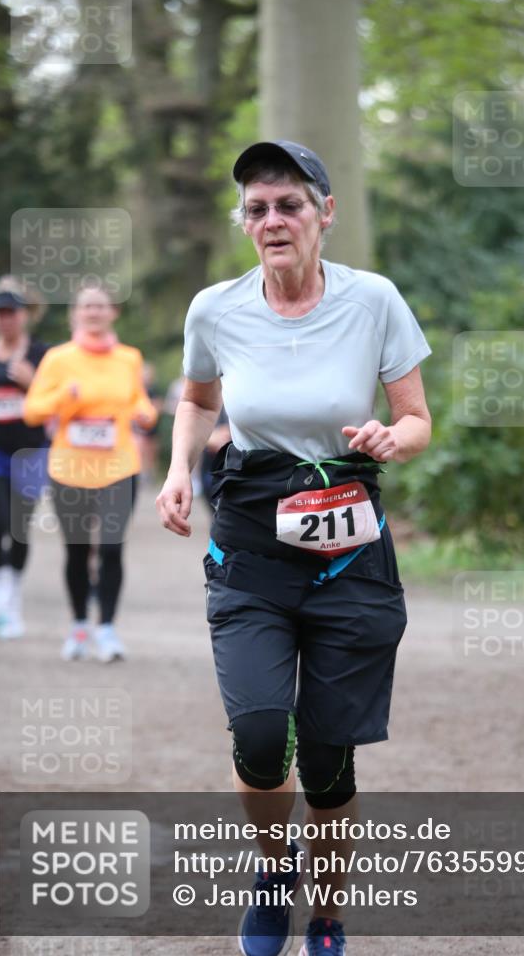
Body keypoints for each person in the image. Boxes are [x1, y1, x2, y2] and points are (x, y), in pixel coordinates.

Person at [156, 140, 432, 956]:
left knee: (326, 757)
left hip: (349, 553)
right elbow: (196, 398)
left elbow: (417, 419)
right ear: (244, 224)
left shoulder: (374, 299)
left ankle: (328, 913)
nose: (271, 220)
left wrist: (393, 436)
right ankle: (275, 871)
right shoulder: (215, 308)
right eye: (256, 209)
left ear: (324, 215)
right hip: (251, 547)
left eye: (288, 205)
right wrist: (177, 470)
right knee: (259, 732)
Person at [24, 282, 157, 662]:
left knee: (113, 549)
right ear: (75, 314)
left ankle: (108, 629)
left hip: (119, 467)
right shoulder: (58, 359)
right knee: (78, 551)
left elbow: (136, 399)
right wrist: (65, 397)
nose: (94, 312)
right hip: (69, 469)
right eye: (87, 307)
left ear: (113, 312)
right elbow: (33, 409)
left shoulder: (129, 358)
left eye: (101, 306)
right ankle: (80, 624)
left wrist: (144, 411)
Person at [0, 276, 49, 638]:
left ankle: (11, 601)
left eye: (11, 313)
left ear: (23, 316)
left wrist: (31, 382)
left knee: (20, 530)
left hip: (30, 453)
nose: (5, 319)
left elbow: (54, 400)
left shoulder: (42, 355)